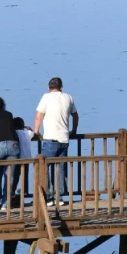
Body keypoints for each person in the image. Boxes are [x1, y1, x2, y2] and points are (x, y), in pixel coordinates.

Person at [34, 77, 78, 207]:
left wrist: (36, 132)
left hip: (50, 139)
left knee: (44, 167)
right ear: (61, 87)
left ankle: (47, 197)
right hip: (64, 138)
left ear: (49, 87)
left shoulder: (46, 97)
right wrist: (74, 130)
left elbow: (38, 116)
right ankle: (59, 196)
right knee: (61, 168)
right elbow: (75, 115)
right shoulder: (68, 98)